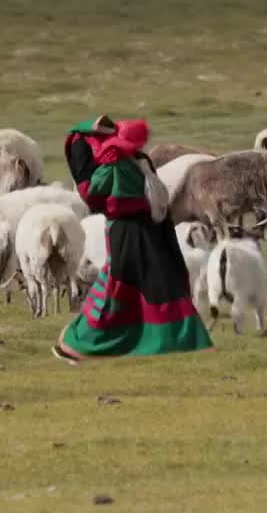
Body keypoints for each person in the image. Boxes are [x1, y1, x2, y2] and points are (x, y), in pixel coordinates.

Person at [54, 116, 213, 362]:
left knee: (128, 285)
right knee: (154, 284)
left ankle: (87, 341)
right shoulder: (137, 161)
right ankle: (178, 340)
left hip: (132, 230)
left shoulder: (119, 163)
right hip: (144, 230)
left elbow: (94, 192)